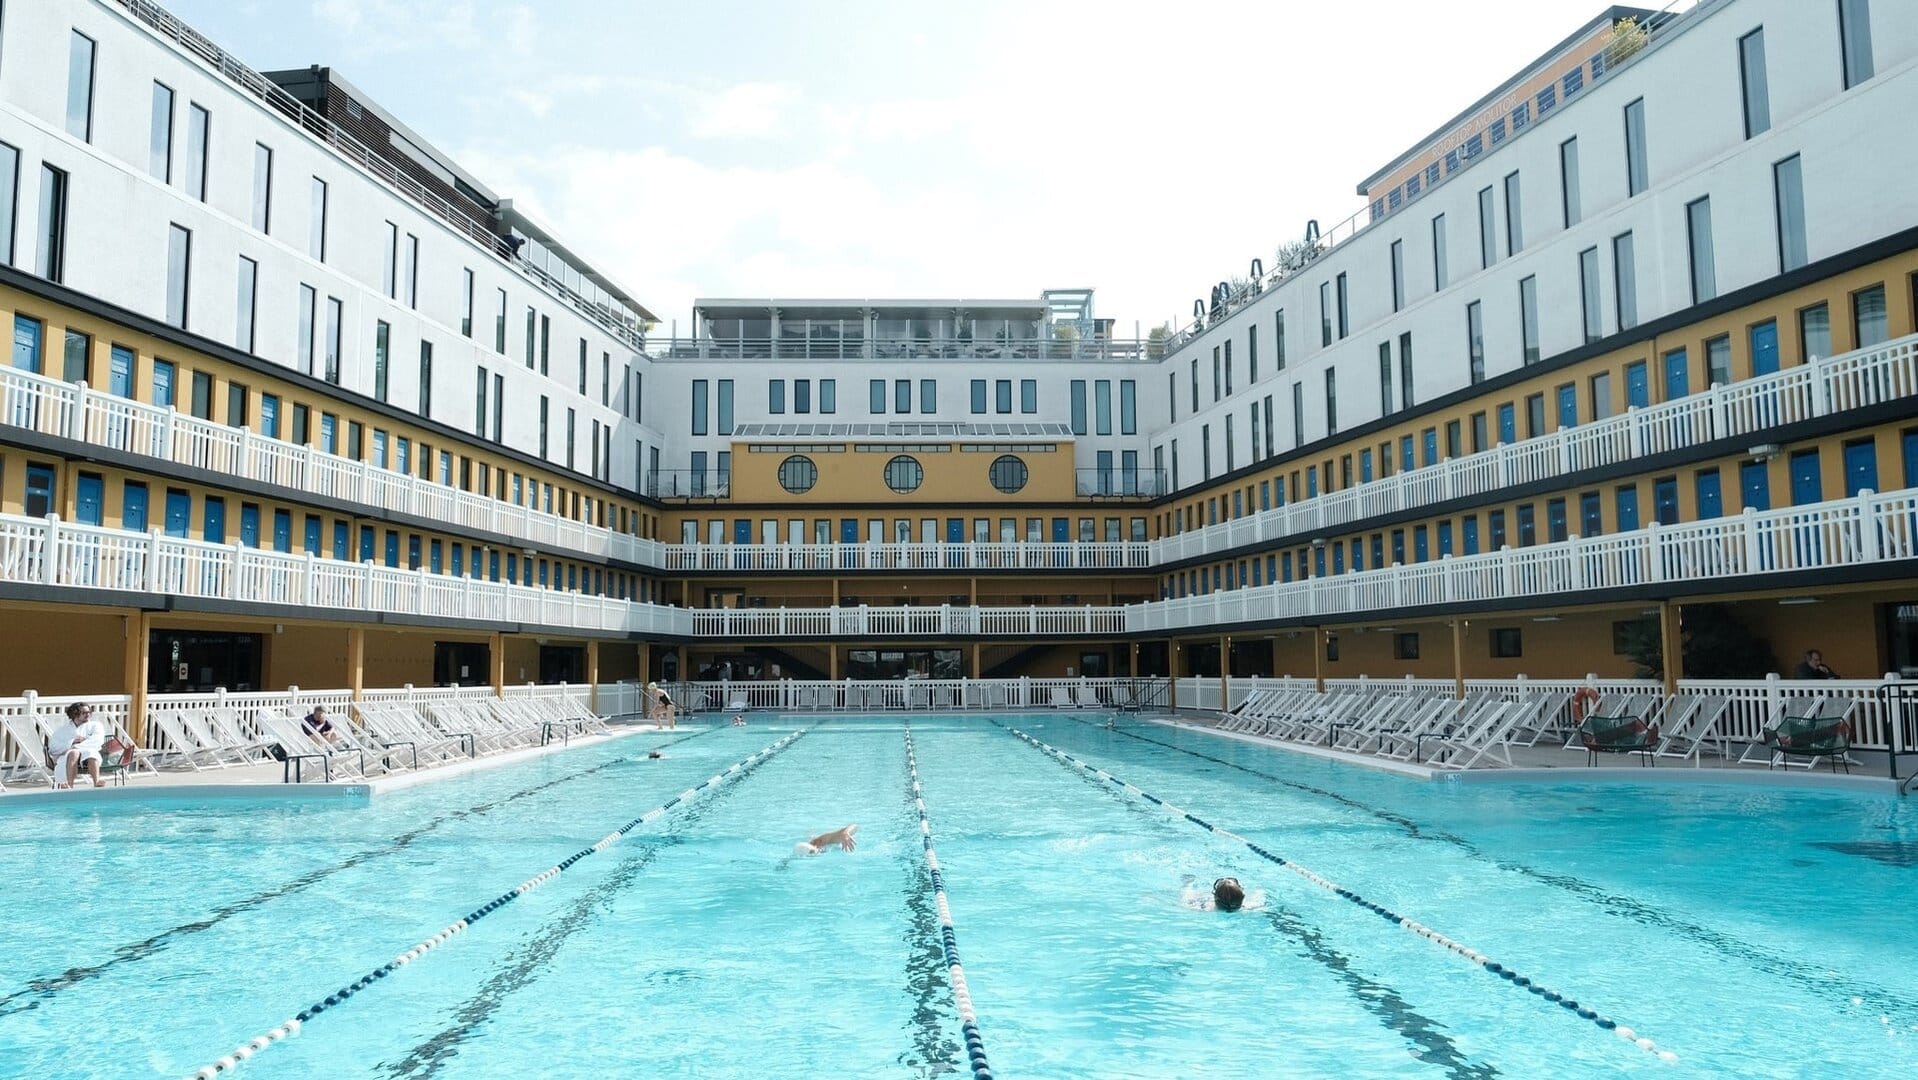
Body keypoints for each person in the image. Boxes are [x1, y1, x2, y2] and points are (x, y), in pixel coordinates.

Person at [46, 702, 108, 789]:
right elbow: (53, 747)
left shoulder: (95, 725)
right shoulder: (63, 730)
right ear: (75, 714)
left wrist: (77, 746)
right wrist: (71, 742)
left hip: (88, 754)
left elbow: (97, 740)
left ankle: (96, 781)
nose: (88, 715)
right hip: (68, 755)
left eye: (89, 712)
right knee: (73, 753)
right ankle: (69, 784)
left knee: (91, 753)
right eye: (84, 713)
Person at [1182, 876, 1260, 912]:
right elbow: (1260, 891)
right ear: (1243, 897)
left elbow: (1186, 897)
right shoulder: (1252, 907)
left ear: (1214, 897)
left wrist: (1187, 884)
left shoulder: (1203, 907)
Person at [793, 824, 858, 857]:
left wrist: (845, 833)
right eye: (812, 853)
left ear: (815, 846)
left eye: (813, 851)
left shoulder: (822, 841)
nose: (817, 852)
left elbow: (855, 826)